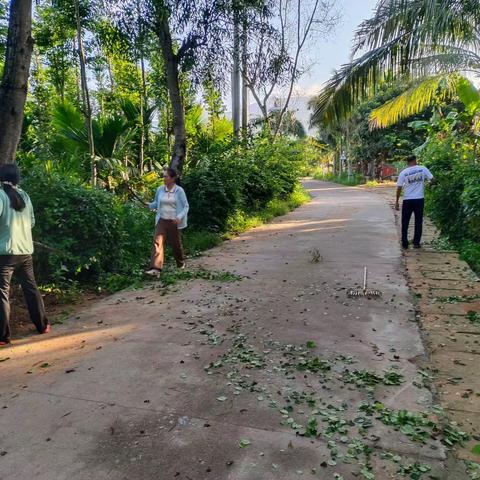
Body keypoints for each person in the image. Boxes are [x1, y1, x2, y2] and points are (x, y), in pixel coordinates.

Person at [0, 164, 50, 346]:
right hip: (25, 251)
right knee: (31, 288)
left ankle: (3, 336)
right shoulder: (25, 196)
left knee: (2, 293)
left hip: (5, 254)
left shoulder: (0, 195)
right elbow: (32, 223)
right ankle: (42, 325)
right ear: (17, 178)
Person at [145, 167, 189, 276]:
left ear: (173, 178)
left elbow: (186, 206)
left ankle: (180, 263)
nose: (164, 178)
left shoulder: (179, 191)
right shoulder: (160, 189)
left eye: (166, 176)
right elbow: (156, 203)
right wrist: (149, 205)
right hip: (162, 220)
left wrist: (179, 217)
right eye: (163, 176)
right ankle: (156, 269)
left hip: (174, 222)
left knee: (176, 245)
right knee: (157, 242)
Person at [395, 155, 434, 249]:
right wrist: (429, 184)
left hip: (407, 200)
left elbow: (399, 188)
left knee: (405, 221)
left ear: (407, 162)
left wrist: (396, 201)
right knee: (418, 221)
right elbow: (433, 179)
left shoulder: (403, 172)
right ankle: (416, 243)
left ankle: (405, 243)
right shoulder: (422, 169)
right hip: (419, 199)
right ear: (415, 160)